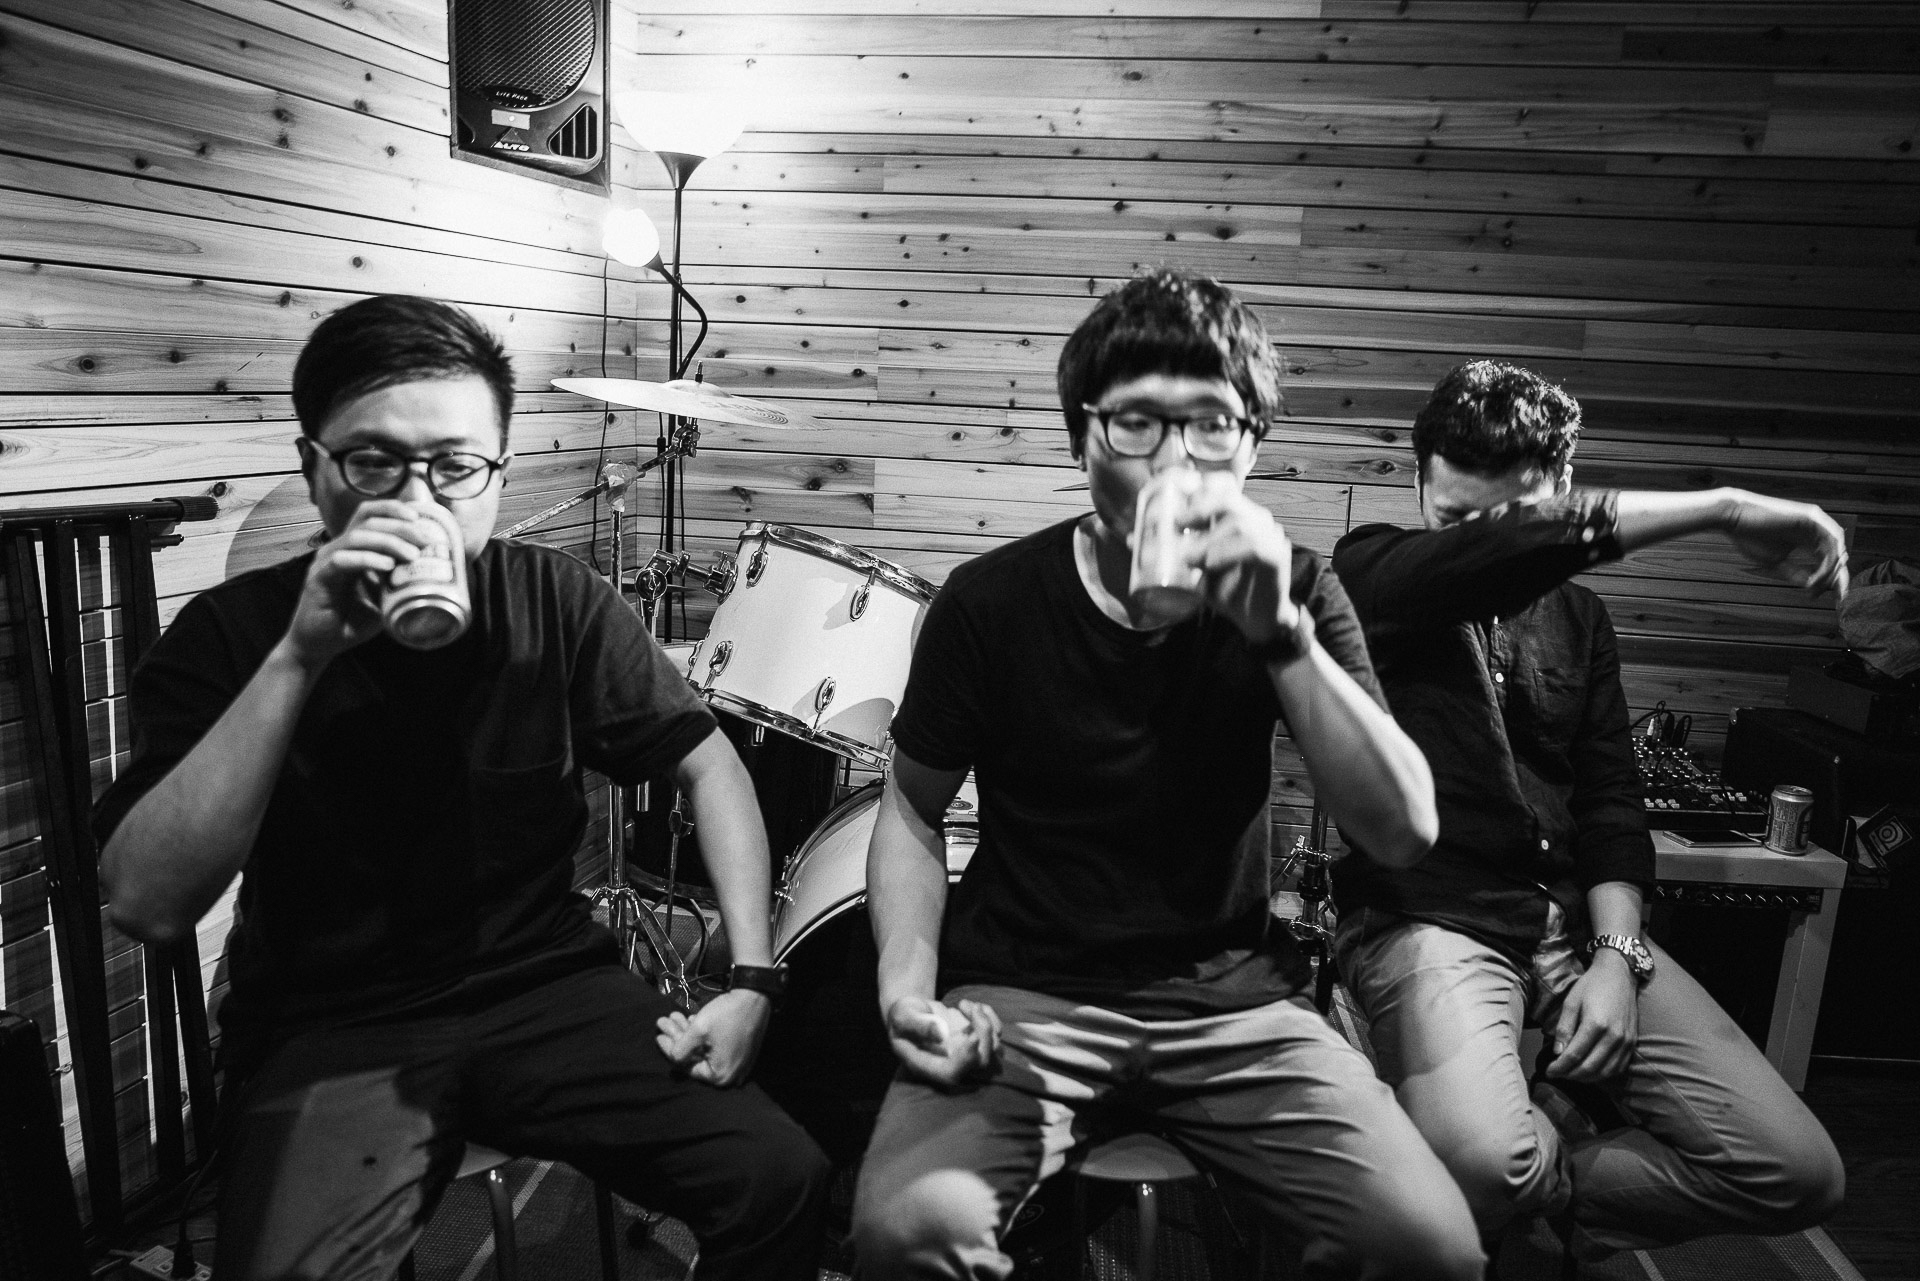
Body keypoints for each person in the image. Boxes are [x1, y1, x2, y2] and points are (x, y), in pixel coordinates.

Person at [94, 295, 828, 1281]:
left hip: (545, 987)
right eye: (374, 463)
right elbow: (146, 902)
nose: (420, 499)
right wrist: (297, 660)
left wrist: (751, 979)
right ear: (314, 467)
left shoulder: (554, 599)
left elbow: (708, 761)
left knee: (778, 1176)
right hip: (331, 1020)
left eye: (454, 466)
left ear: (499, 471)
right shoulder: (232, 634)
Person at [851, 270, 1484, 1281]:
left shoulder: (1299, 587)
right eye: (1137, 423)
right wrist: (905, 991)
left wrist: (1282, 638)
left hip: (1236, 1001)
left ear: (1251, 447)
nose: (1176, 459)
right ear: (1082, 438)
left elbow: (1403, 832)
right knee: (909, 1232)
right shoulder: (989, 603)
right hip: (1025, 991)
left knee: (1428, 1246)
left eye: (1212, 426)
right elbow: (912, 809)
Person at [1330, 359, 1847, 1264]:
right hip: (1431, 916)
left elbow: (1610, 802)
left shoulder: (1582, 618)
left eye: (1516, 519)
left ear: (1562, 484)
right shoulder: (1366, 571)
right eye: (1456, 519)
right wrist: (1725, 508)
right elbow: (1492, 556)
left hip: (1572, 924)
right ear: (1416, 484)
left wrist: (1616, 954)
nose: (1491, 547)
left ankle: (1522, 1191)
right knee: (1484, 1160)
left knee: (1797, 1170)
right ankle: (1506, 1191)